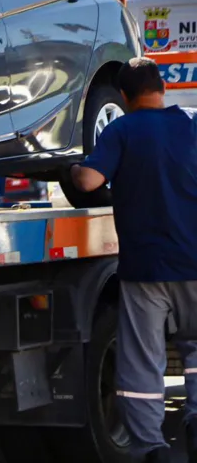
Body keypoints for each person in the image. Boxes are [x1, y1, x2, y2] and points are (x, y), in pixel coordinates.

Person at [70, 57, 197, 463]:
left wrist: (73, 170)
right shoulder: (191, 124)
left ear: (123, 97)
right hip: (194, 264)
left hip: (146, 269)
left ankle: (151, 447)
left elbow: (91, 181)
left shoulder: (121, 129)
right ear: (162, 87)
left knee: (143, 362)